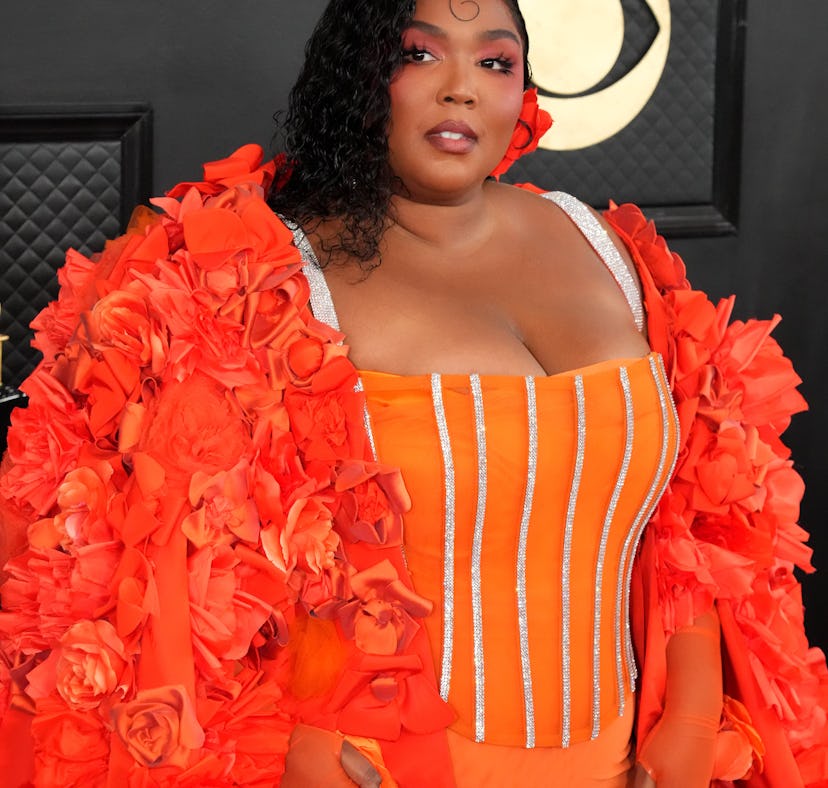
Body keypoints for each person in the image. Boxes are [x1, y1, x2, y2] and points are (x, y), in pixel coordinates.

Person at [0, 0, 825, 786]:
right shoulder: (264, 279)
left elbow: (695, 517)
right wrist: (281, 746)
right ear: (357, 76)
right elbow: (173, 570)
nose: (460, 84)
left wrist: (686, 722)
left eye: (495, 60)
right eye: (418, 53)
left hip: (619, 762)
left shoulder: (604, 243)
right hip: (385, 766)